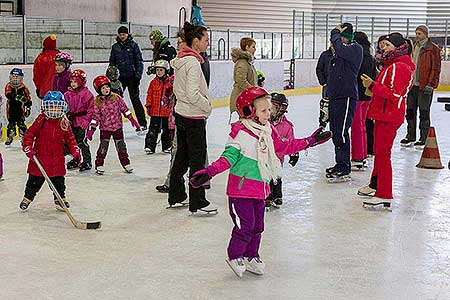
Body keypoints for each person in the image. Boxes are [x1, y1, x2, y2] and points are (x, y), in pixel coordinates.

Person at [189, 87, 331, 278]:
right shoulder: (240, 133)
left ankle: (251, 255)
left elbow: (284, 146)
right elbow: (227, 158)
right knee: (244, 226)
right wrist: (209, 172)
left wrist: (310, 141)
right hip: (240, 193)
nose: (269, 113)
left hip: (260, 190)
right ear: (249, 111)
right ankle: (235, 255)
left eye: (269, 109)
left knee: (258, 227)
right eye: (264, 110)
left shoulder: (267, 130)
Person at [358, 33, 415, 208]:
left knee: (383, 154)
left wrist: (373, 86)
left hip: (389, 116)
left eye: (388, 45)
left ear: (398, 48)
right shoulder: (391, 65)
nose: (383, 48)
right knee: (379, 151)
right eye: (383, 45)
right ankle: (375, 184)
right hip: (384, 114)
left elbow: (395, 93)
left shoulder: (400, 67)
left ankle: (384, 193)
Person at [168, 21, 213, 213]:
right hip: (193, 117)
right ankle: (198, 201)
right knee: (197, 159)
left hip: (182, 114)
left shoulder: (181, 59)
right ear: (196, 41)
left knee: (182, 155)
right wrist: (207, 107)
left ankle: (176, 195)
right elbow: (193, 93)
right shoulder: (193, 63)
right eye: (206, 40)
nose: (207, 44)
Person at [19, 91, 81, 211]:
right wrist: (28, 148)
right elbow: (29, 134)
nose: (54, 109)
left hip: (57, 159)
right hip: (40, 158)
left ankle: (60, 199)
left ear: (62, 106)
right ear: (45, 106)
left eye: (57, 106)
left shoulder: (63, 121)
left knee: (59, 182)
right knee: (34, 181)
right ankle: (27, 198)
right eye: (51, 106)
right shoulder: (41, 120)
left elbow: (70, 138)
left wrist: (75, 151)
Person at [325, 23, 363, 183]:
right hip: (336, 96)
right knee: (336, 131)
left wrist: (335, 32)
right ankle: (340, 163)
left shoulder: (355, 49)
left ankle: (344, 166)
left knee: (341, 132)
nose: (335, 42)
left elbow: (340, 48)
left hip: (346, 96)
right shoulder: (341, 54)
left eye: (338, 39)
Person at [86, 75, 140, 175]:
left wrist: (132, 120)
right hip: (105, 129)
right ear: (98, 90)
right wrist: (92, 130)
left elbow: (125, 109)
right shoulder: (97, 101)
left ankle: (126, 163)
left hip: (117, 127)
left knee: (121, 147)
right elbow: (95, 117)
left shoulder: (116, 98)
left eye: (107, 87)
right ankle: (99, 164)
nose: (106, 89)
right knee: (103, 147)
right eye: (103, 88)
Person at [401, 25, 442, 148]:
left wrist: (431, 84)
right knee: (410, 111)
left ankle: (423, 137)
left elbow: (435, 68)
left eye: (419, 33)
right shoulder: (414, 47)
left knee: (424, 112)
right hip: (412, 85)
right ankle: (410, 135)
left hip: (424, 85)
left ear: (425, 34)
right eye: (416, 33)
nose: (417, 36)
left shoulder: (432, 49)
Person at [265, 92, 299, 208]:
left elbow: (291, 142)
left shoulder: (287, 126)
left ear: (281, 108)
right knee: (266, 176)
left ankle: (277, 195)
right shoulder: (263, 121)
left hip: (278, 158)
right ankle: (267, 195)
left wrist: (294, 153)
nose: (271, 109)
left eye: (274, 106)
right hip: (264, 155)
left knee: (277, 176)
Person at [109, 26, 147, 131]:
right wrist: (112, 76)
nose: (122, 36)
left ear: (127, 34)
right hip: (119, 78)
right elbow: (112, 62)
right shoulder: (115, 47)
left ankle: (142, 123)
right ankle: (113, 122)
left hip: (132, 77)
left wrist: (138, 76)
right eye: (120, 34)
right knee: (115, 100)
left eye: (124, 34)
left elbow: (139, 61)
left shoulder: (134, 46)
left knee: (135, 99)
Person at [351, 32, 377, 170]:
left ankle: (358, 155)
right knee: (362, 125)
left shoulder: (358, 57)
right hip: (367, 96)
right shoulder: (371, 58)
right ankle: (363, 152)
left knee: (357, 127)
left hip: (358, 96)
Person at [64, 69, 94, 171]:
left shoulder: (87, 94)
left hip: (82, 122)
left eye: (75, 81)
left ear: (81, 82)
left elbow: (91, 110)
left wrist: (86, 121)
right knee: (72, 142)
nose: (73, 84)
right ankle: (76, 159)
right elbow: (65, 107)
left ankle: (87, 161)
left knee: (82, 142)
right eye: (71, 81)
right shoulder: (67, 94)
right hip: (71, 121)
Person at [144, 60, 173, 154]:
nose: (159, 72)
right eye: (157, 70)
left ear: (166, 70)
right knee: (153, 129)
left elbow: (172, 97)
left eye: (161, 70)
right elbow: (149, 94)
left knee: (167, 130)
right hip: (155, 111)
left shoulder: (170, 83)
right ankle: (149, 146)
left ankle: (167, 146)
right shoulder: (153, 83)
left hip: (166, 112)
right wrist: (148, 105)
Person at [229, 37, 258, 118]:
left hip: (246, 98)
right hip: (241, 99)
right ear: (247, 47)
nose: (255, 49)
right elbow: (241, 80)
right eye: (253, 47)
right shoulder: (242, 62)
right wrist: (253, 90)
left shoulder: (247, 62)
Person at [5, 68, 31, 145]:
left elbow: (28, 98)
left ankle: (24, 137)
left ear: (21, 78)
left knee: (21, 124)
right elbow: (8, 94)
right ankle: (9, 136)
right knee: (11, 124)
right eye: (13, 76)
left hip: (20, 109)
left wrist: (28, 107)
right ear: (10, 77)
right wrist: (19, 97)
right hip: (11, 109)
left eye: (17, 77)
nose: (15, 79)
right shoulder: (8, 86)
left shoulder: (24, 88)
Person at [33, 35, 60, 99]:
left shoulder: (40, 58)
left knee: (47, 108)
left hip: (45, 91)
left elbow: (36, 76)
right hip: (59, 91)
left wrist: (39, 88)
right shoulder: (60, 57)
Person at [316, 43, 334, 128]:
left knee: (336, 107)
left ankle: (334, 127)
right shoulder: (325, 55)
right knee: (325, 106)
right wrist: (323, 82)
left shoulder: (342, 55)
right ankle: (322, 126)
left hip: (338, 87)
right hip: (327, 85)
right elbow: (319, 68)